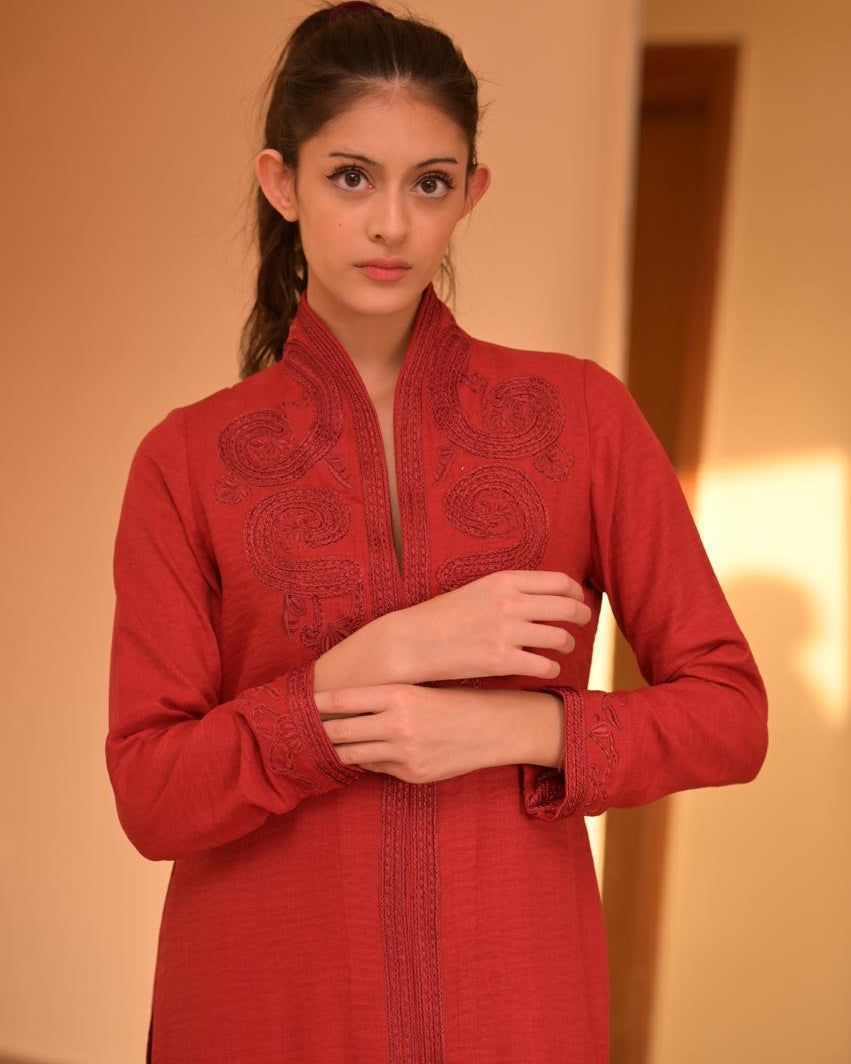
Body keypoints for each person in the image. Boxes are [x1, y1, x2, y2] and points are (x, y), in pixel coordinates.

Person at [105, 2, 769, 1061]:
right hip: (262, 1007)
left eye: (429, 183)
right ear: (282, 182)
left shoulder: (580, 416)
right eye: (350, 176)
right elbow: (153, 795)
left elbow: (729, 715)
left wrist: (517, 731)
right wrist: (368, 669)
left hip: (515, 1001)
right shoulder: (186, 461)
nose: (390, 226)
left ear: (470, 192)